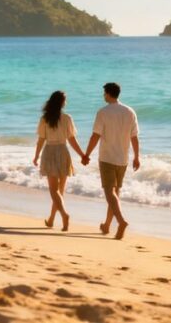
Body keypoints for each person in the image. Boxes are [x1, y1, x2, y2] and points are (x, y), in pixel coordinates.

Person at [80, 82, 140, 240]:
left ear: (108, 93)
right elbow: (134, 137)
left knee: (109, 193)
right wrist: (136, 157)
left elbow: (95, 135)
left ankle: (121, 222)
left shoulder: (103, 112)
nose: (103, 96)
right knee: (115, 194)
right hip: (123, 158)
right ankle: (107, 225)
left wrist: (86, 154)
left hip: (107, 158)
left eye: (104, 93)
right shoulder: (130, 112)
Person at [32, 90, 86, 231]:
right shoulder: (67, 118)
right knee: (59, 191)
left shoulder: (45, 118)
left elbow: (41, 139)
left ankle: (63, 215)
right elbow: (72, 139)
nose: (66, 102)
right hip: (63, 151)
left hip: (50, 152)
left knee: (54, 190)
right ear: (62, 102)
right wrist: (82, 155)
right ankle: (51, 220)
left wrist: (36, 155)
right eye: (65, 100)